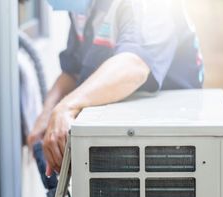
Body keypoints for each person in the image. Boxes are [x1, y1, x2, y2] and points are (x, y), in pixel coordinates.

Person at [27, 0, 204, 177]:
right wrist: (47, 115)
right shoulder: (82, 8)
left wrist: (66, 107)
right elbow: (73, 72)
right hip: (119, 137)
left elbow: (134, 66)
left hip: (168, 142)